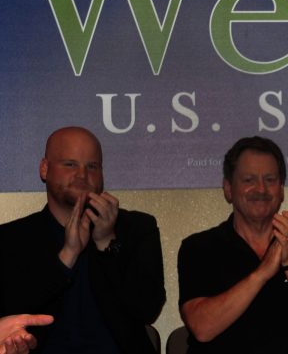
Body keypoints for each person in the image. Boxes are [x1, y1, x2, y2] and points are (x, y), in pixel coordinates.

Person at [0, 126, 166, 354]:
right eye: (70, 164)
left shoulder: (136, 228)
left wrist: (107, 243)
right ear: (45, 169)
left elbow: (147, 308)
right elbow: (11, 312)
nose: (82, 175)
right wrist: (66, 256)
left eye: (92, 166)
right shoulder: (11, 239)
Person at [177, 136, 288, 353]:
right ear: (228, 188)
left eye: (270, 180)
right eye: (248, 180)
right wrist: (262, 273)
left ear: (281, 189)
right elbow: (202, 328)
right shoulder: (199, 248)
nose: (261, 189)